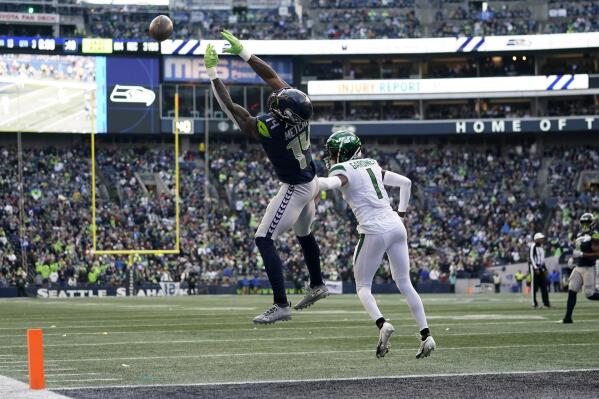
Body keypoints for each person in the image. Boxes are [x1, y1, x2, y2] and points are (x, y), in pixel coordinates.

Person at [203, 32, 328, 324]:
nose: (274, 98)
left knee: (263, 238)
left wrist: (212, 74)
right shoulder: (300, 111)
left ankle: (281, 304)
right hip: (311, 181)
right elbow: (273, 78)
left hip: (295, 188)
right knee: (304, 233)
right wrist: (245, 53)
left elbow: (233, 111)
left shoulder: (269, 129)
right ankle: (317, 283)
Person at [317, 130, 435, 359]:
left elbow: (329, 183)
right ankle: (426, 335)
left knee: (362, 286)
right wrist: (401, 215)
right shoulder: (372, 164)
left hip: (373, 230)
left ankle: (382, 324)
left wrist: (310, 182)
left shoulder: (343, 169)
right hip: (395, 225)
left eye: (333, 153)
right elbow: (406, 183)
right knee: (405, 283)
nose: (330, 157)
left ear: (343, 152)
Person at [562, 213, 599, 323]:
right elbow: (577, 251)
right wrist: (573, 259)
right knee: (572, 289)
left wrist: (582, 254)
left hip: (589, 267)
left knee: (589, 294)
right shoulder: (579, 234)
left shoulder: (595, 234)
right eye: (583, 223)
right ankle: (568, 317)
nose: (585, 225)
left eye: (587, 223)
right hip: (578, 267)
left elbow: (597, 254)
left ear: (592, 223)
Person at [529, 232, 550, 308]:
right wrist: (535, 268)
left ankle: (546, 303)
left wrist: (545, 269)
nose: (542, 240)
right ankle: (534, 303)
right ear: (536, 239)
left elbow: (542, 259)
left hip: (541, 268)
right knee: (534, 287)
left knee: (544, 286)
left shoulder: (541, 247)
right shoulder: (533, 246)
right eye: (541, 238)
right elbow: (531, 257)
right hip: (535, 268)